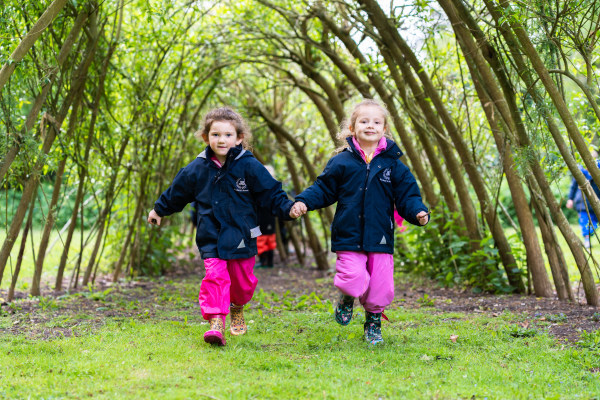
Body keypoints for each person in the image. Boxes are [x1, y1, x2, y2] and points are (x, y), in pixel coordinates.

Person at [148, 107, 303, 346]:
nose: (222, 140)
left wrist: (288, 208)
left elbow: (270, 192)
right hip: (210, 234)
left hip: (242, 233)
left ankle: (237, 306)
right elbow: (177, 192)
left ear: (239, 138)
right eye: (216, 134)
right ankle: (216, 320)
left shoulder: (249, 165)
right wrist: (159, 209)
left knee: (242, 282)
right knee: (215, 276)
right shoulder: (197, 167)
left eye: (228, 135)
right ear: (206, 137)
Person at [290, 99, 429, 345]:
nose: (370, 125)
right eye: (364, 121)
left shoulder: (393, 164)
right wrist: (303, 202)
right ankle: (347, 297)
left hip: (380, 234)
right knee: (353, 278)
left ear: (384, 128)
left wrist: (418, 212)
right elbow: (323, 189)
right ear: (352, 128)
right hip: (348, 232)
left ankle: (373, 322)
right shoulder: (341, 162)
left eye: (376, 122)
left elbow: (407, 195)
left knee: (381, 284)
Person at [566, 149, 600, 249]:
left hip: (596, 201)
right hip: (582, 202)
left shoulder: (597, 171)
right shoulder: (580, 171)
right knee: (584, 221)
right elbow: (573, 186)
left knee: (594, 223)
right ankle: (586, 239)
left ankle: (590, 233)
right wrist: (570, 199)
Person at [256, 166, 278, 268]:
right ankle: (263, 261)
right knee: (259, 240)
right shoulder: (259, 186)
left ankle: (268, 262)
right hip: (259, 219)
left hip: (268, 219)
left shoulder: (272, 187)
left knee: (269, 240)